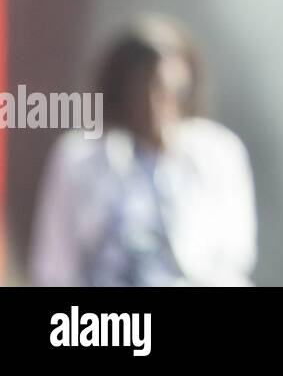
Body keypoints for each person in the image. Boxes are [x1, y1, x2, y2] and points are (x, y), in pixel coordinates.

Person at [29, 15, 256, 286]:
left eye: (167, 90)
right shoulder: (79, 156)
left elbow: (235, 257)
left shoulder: (217, 152)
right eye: (141, 89)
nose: (154, 104)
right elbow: (53, 264)